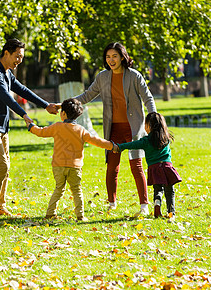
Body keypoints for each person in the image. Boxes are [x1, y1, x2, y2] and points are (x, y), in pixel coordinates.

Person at [0, 38, 59, 217]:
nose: (19, 60)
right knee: (1, 166)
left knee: (5, 167)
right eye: (17, 56)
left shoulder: (6, 72)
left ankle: (0, 205)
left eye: (21, 57)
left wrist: (46, 105)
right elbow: (7, 97)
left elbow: (23, 90)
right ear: (6, 53)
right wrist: (24, 115)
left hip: (1, 127)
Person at [73, 42, 157, 216]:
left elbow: (148, 98)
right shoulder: (103, 77)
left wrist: (154, 118)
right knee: (112, 166)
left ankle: (144, 205)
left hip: (133, 128)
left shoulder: (134, 76)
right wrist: (67, 104)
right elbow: (88, 95)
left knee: (137, 165)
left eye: (114, 56)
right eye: (108, 57)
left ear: (122, 57)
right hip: (113, 129)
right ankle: (111, 203)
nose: (111, 60)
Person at [27, 98, 115, 221]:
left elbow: (41, 132)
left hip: (58, 166)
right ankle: (80, 215)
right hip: (75, 167)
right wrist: (111, 146)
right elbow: (97, 141)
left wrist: (31, 127)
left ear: (63, 113)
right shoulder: (81, 130)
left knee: (59, 189)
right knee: (76, 190)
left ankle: (50, 213)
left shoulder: (57, 127)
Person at [113, 112, 182, 220]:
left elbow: (132, 144)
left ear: (149, 126)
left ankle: (157, 202)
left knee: (158, 189)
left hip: (154, 168)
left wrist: (120, 147)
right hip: (167, 166)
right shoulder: (166, 138)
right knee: (170, 191)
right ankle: (171, 213)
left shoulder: (146, 140)